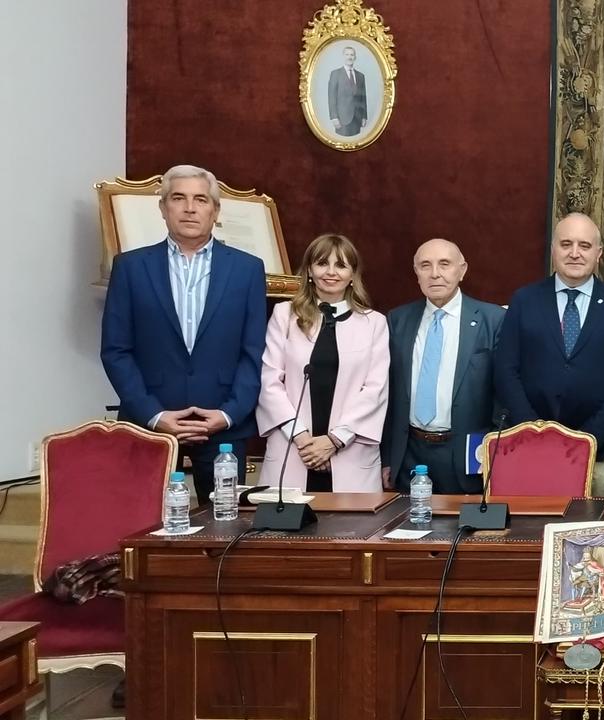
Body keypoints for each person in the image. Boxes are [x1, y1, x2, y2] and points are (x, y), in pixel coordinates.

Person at [100, 164, 267, 500]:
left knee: (226, 524)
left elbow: (254, 352)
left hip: (222, 427)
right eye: (178, 198)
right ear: (163, 207)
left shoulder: (247, 269)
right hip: (149, 424)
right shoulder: (130, 267)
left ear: (215, 210)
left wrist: (229, 414)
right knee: (146, 522)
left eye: (201, 200)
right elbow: (116, 350)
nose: (190, 208)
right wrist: (154, 414)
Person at [495, 213, 604, 494]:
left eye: (584, 245)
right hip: (530, 446)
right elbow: (505, 369)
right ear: (553, 250)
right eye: (566, 244)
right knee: (531, 519)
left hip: (597, 452)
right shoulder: (525, 300)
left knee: (592, 522)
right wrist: (533, 430)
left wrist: (590, 438)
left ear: (599, 253)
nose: (575, 253)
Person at [256, 234, 389, 492]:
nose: (331, 272)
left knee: (350, 519)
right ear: (309, 270)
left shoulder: (374, 323)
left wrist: (334, 441)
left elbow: (375, 389)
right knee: (285, 518)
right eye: (322, 263)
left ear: (353, 275)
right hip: (294, 449)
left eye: (341, 265)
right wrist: (303, 439)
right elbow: (270, 382)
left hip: (350, 453)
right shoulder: (284, 315)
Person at [381, 239, 505, 494]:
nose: (435, 273)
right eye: (425, 265)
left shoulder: (493, 320)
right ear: (416, 273)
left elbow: (504, 394)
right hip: (410, 453)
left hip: (468, 454)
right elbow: (389, 394)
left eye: (444, 264)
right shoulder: (398, 320)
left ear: (462, 270)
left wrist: (494, 451)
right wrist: (388, 457)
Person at [327, 45, 367, 137]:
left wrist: (364, 116)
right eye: (347, 54)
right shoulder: (335, 74)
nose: (349, 57)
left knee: (356, 141)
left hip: (357, 118)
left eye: (352, 55)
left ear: (355, 57)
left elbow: (363, 98)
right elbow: (331, 97)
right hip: (342, 119)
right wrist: (334, 117)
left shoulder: (361, 76)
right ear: (343, 56)